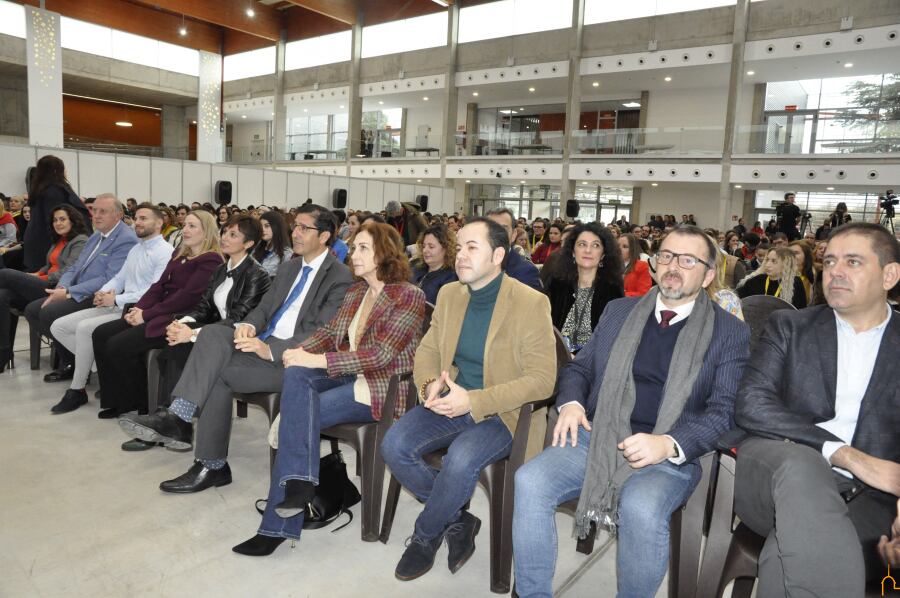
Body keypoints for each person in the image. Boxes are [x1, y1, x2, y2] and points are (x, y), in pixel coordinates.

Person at [512, 224, 750, 598]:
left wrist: (669, 444)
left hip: (668, 454)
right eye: (666, 256)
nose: (673, 266)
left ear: (707, 276)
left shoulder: (728, 332)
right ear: (654, 264)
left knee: (640, 507)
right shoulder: (620, 311)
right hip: (599, 434)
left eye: (688, 260)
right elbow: (580, 368)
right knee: (530, 481)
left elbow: (724, 412)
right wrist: (572, 404)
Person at [118, 204, 353, 492]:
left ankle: (207, 460)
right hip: (259, 344)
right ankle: (181, 421)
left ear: (326, 235)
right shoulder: (291, 266)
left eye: (305, 228)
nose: (296, 233)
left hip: (293, 361)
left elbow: (323, 332)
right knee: (215, 334)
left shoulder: (339, 275)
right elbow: (264, 309)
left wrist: (270, 350)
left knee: (216, 374)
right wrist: (249, 326)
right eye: (295, 227)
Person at [233, 221, 426, 556]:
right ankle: (300, 483)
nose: (354, 254)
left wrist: (317, 362)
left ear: (386, 252)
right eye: (354, 248)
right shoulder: (357, 292)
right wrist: (299, 352)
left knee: (296, 413)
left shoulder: (408, 295)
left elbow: (381, 356)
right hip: (349, 376)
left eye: (364, 247)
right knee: (296, 376)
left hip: (382, 387)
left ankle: (277, 525)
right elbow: (328, 335)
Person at [381, 217, 556, 581]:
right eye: (459, 247)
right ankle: (459, 517)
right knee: (394, 444)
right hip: (452, 398)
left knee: (460, 459)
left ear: (498, 255)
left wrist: (474, 402)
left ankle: (426, 535)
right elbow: (427, 351)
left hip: (504, 414)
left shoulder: (530, 303)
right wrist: (430, 384)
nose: (461, 255)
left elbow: (542, 381)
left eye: (471, 247)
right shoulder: (450, 294)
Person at [729, 222, 900, 595]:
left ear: (890, 274)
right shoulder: (790, 327)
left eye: (853, 262)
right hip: (775, 473)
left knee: (789, 553)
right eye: (831, 260)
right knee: (802, 464)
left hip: (870, 499)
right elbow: (751, 404)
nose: (835, 271)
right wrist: (843, 454)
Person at [136, 215, 269, 450]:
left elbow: (238, 319)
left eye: (233, 235)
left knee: (181, 348)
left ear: (248, 244)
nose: (225, 238)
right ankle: (170, 423)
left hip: (239, 336)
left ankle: (173, 423)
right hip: (216, 329)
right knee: (174, 344)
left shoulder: (257, 275)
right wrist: (184, 323)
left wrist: (194, 335)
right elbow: (204, 307)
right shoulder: (220, 269)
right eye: (225, 232)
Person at [90, 210, 222, 418]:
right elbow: (158, 286)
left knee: (119, 345)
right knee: (101, 334)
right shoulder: (180, 254)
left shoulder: (210, 260)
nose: (185, 230)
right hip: (156, 312)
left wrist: (147, 315)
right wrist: (139, 308)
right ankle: (116, 399)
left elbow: (186, 297)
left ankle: (141, 402)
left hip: (177, 318)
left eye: (192, 226)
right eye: (185, 225)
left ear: (206, 233)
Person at [47, 204, 173, 414]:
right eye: (136, 218)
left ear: (159, 223)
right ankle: (100, 368)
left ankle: (77, 389)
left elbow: (152, 292)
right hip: (119, 303)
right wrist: (104, 292)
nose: (138, 222)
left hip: (136, 309)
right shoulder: (136, 248)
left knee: (86, 329)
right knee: (58, 327)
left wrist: (115, 300)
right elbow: (119, 277)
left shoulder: (165, 252)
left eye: (144, 218)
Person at [26, 194, 137, 382]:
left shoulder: (126, 239)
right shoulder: (96, 235)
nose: (97, 216)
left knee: (47, 313)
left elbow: (108, 278)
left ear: (118, 215)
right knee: (32, 310)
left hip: (97, 295)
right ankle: (75, 361)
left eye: (103, 211)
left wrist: (69, 293)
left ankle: (76, 364)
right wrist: (62, 287)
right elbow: (76, 266)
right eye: (94, 211)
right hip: (75, 289)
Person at [0, 206, 89, 371]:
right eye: (55, 220)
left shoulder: (81, 241)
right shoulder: (58, 240)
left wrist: (38, 277)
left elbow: (69, 271)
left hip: (56, 287)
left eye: (62, 219)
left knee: (4, 274)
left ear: (73, 220)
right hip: (43, 282)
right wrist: (36, 274)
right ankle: (4, 352)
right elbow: (48, 266)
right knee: (3, 295)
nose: (58, 223)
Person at [545, 223, 624, 353]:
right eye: (582, 244)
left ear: (603, 255)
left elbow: (612, 341)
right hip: (553, 359)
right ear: (573, 252)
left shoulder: (612, 290)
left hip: (592, 366)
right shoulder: (557, 284)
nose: (588, 250)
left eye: (595, 245)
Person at [22, 155, 91, 271]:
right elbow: (58, 222)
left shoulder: (40, 190)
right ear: (56, 171)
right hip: (50, 249)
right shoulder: (55, 192)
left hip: (38, 246)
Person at [486, 208, 542, 290]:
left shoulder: (525, 271)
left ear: (513, 235)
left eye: (503, 229)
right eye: (491, 228)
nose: (497, 234)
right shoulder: (471, 264)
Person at [736, 247, 807, 309]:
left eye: (774, 261)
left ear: (785, 264)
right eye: (767, 260)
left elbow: (800, 311)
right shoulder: (757, 280)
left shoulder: (795, 283)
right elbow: (738, 298)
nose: (767, 265)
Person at [410, 224, 458, 304]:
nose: (425, 250)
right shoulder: (416, 266)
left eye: (431, 247)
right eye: (424, 246)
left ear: (446, 248)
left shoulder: (451, 278)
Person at [253, 211, 292, 277]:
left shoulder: (287, 253)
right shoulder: (256, 247)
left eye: (267, 226)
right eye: (260, 226)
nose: (262, 229)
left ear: (276, 227)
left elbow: (285, 279)